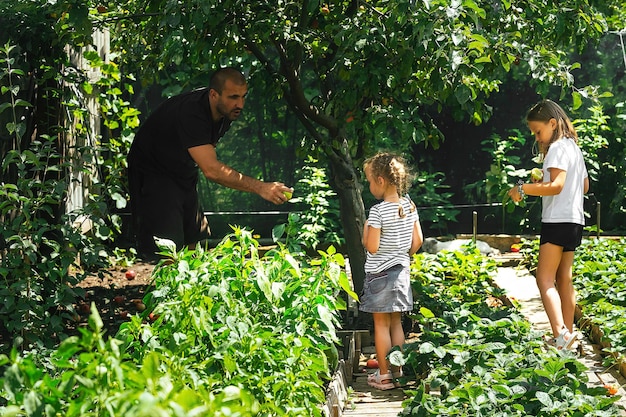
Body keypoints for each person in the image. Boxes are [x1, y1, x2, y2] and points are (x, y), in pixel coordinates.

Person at [127, 67, 292, 260]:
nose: (240, 104)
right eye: (233, 97)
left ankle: (192, 286)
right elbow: (212, 170)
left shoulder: (226, 112)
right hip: (153, 173)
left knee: (196, 237)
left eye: (243, 96)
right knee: (168, 248)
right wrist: (261, 187)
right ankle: (169, 288)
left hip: (182, 170)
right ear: (213, 94)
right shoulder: (192, 113)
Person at [508, 99, 589, 351]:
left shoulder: (556, 148)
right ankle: (568, 334)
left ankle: (560, 333)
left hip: (557, 221)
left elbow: (556, 186)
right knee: (564, 278)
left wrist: (523, 188)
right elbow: (584, 186)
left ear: (552, 123)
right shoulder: (574, 148)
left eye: (538, 131)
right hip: (575, 220)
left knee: (544, 279)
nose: (537, 137)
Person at [360, 152, 424, 390]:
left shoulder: (377, 212)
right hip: (401, 273)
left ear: (380, 180)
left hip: (379, 275)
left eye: (369, 181)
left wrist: (366, 232)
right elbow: (417, 240)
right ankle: (398, 370)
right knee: (397, 323)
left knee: (381, 325)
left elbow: (373, 246)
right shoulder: (409, 206)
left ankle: (384, 375)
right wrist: (403, 255)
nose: (369, 186)